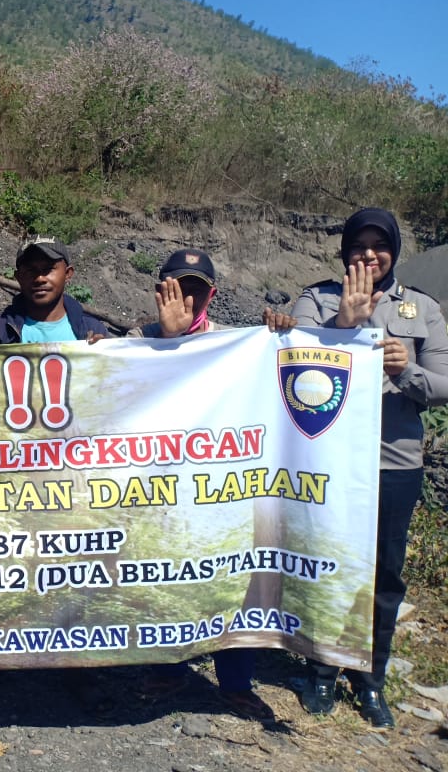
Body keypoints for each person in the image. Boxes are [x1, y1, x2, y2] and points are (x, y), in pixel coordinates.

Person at [281, 207, 448, 729]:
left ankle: (371, 677)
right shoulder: (316, 300)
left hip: (393, 462)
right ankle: (323, 669)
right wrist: (343, 327)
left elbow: (445, 383)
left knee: (385, 576)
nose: (368, 254)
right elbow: (288, 363)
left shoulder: (422, 309)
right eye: (359, 244)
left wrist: (409, 371)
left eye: (380, 245)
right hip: (326, 462)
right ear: (344, 250)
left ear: (394, 250)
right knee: (325, 566)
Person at [125, 247, 276, 721]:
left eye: (196, 289)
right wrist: (167, 344)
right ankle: (167, 671)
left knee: (232, 580)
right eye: (176, 287)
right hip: (160, 493)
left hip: (222, 491)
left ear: (212, 294)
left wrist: (284, 334)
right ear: (159, 291)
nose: (186, 298)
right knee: (163, 578)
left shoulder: (241, 345)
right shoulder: (135, 339)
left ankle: (235, 683)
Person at [0, 235, 105, 345]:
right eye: (30, 271)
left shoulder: (92, 330)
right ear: (18, 277)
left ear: (67, 274)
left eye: (48, 269)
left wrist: (107, 357)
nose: (39, 278)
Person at [127, 248, 221, 338]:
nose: (189, 299)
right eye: (179, 289)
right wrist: (168, 335)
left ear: (211, 295)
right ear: (161, 291)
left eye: (197, 291)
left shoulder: (230, 343)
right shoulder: (139, 339)